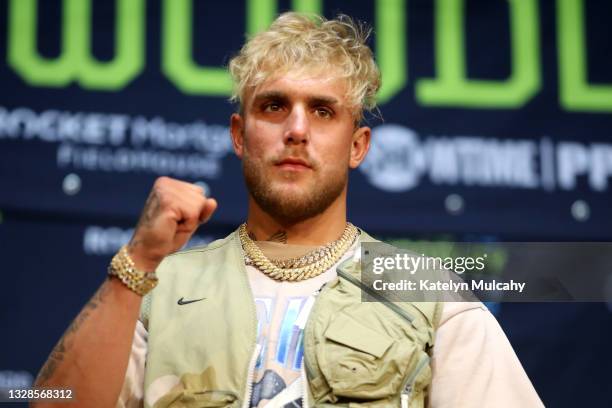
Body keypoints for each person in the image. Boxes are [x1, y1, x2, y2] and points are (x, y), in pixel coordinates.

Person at [33, 12, 543, 408]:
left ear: (358, 146)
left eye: (323, 111)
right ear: (239, 134)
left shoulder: (426, 293)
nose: (296, 129)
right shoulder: (159, 287)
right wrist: (137, 265)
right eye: (273, 106)